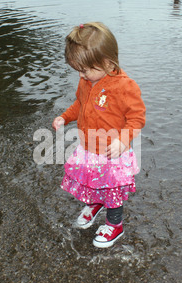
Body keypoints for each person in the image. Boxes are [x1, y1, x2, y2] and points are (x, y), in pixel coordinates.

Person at [52, 22, 146, 248]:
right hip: (88, 147)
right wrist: (65, 117)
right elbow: (80, 104)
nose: (81, 75)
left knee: (111, 188)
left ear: (107, 62)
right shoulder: (87, 81)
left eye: (85, 69)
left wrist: (123, 141)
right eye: (78, 70)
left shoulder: (125, 87)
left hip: (112, 151)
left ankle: (115, 224)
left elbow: (137, 118)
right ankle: (95, 203)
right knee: (92, 179)